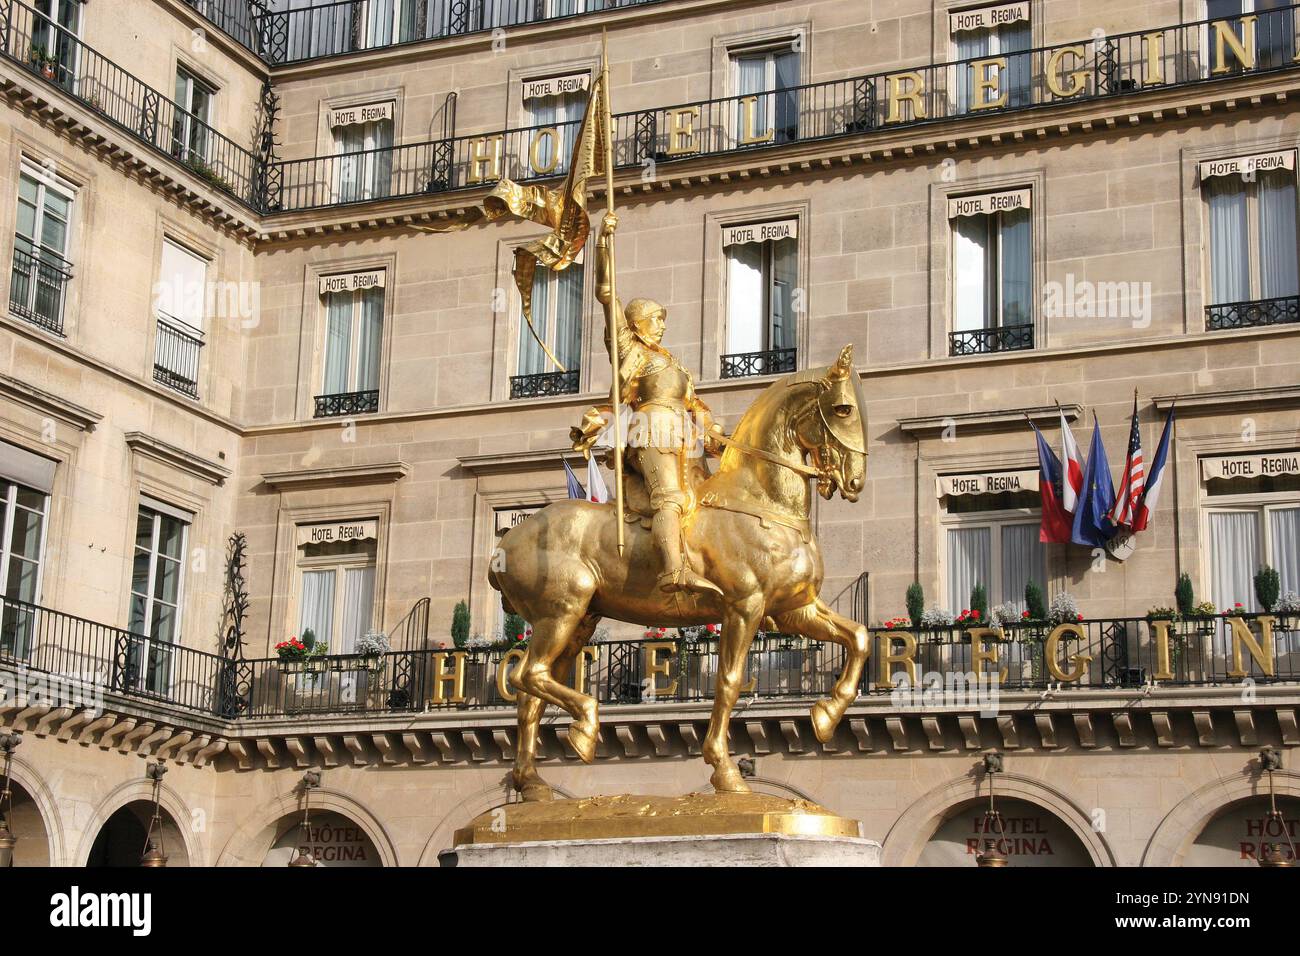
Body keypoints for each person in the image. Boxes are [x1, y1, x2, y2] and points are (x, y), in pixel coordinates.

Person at [571, 212, 723, 597]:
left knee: (705, 498)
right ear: (638, 323)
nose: (663, 326)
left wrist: (716, 434)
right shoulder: (628, 348)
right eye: (656, 319)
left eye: (663, 319)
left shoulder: (675, 363)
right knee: (668, 497)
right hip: (650, 432)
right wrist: (604, 243)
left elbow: (696, 405)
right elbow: (607, 294)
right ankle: (673, 571)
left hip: (683, 437)